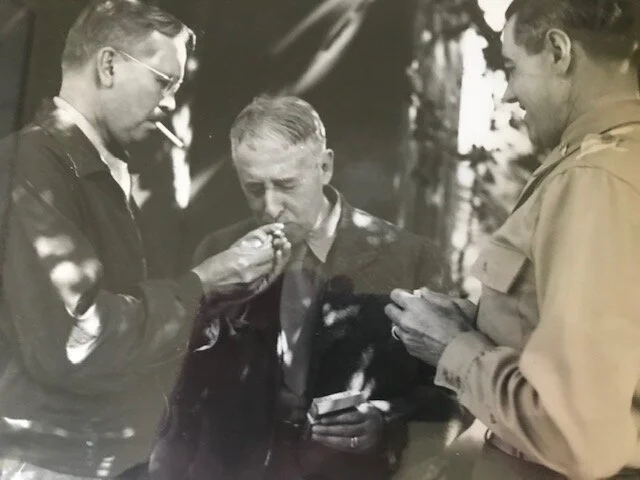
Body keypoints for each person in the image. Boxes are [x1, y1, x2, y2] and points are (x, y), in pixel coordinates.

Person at [0, 1, 290, 479]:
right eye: (164, 82)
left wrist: (220, 296)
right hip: (47, 462)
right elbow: (76, 341)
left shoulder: (94, 167)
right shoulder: (32, 166)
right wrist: (203, 283)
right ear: (108, 65)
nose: (171, 102)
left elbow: (126, 322)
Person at [150, 95, 467, 480]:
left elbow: (454, 395)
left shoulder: (410, 259)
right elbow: (183, 390)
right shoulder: (219, 251)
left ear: (325, 166)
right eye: (254, 188)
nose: (271, 207)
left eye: (286, 185)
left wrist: (385, 423)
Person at [386, 0, 640, 478]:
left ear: (558, 50)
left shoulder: (594, 179)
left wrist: (452, 347)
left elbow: (574, 435)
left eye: (512, 67)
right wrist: (485, 325)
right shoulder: (613, 162)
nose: (508, 93)